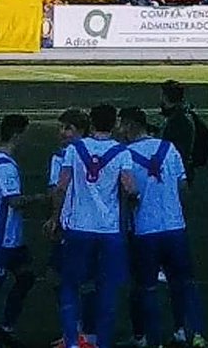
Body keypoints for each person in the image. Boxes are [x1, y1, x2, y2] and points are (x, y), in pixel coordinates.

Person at [119, 107, 208, 348]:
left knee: (146, 287)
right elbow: (183, 186)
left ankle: (151, 339)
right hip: (175, 227)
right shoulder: (169, 149)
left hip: (145, 231)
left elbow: (126, 193)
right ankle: (187, 333)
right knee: (183, 283)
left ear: (129, 125)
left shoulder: (125, 155)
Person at [51, 104, 137, 348]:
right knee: (106, 289)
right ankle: (102, 342)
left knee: (70, 285)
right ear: (114, 124)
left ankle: (72, 342)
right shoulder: (122, 152)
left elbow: (61, 186)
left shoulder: (75, 149)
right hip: (109, 230)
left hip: (79, 227)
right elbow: (130, 187)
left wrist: (56, 218)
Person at [0, 115, 40, 348]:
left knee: (26, 276)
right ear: (16, 135)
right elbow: (13, 201)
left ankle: (6, 328)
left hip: (12, 238)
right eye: (24, 135)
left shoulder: (3, 161)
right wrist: (42, 199)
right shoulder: (3, 165)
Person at [46, 108, 94, 348]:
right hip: (92, 227)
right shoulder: (97, 153)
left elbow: (58, 190)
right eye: (61, 128)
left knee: (65, 279)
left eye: (67, 128)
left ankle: (76, 333)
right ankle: (82, 332)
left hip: (72, 226)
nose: (62, 133)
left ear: (81, 130)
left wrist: (55, 219)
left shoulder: (64, 156)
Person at [159, 80, 198, 186]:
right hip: (183, 167)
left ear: (165, 97)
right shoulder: (184, 115)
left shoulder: (176, 120)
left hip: (176, 170)